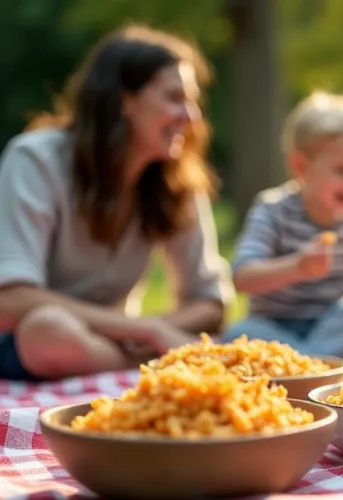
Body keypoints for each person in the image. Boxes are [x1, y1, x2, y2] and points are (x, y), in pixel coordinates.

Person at [0, 25, 235, 381]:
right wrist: (146, 332)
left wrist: (148, 328)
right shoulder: (35, 161)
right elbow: (10, 301)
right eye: (174, 98)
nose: (192, 117)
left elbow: (213, 304)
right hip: (33, 344)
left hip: (115, 344)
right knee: (48, 328)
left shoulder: (176, 179)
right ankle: (147, 367)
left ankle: (131, 365)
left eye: (192, 101)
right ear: (125, 100)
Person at [224, 91, 343, 366]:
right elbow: (242, 277)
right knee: (238, 333)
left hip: (332, 329)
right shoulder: (272, 209)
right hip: (274, 330)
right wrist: (298, 267)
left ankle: (301, 367)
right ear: (301, 166)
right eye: (342, 170)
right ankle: (318, 366)